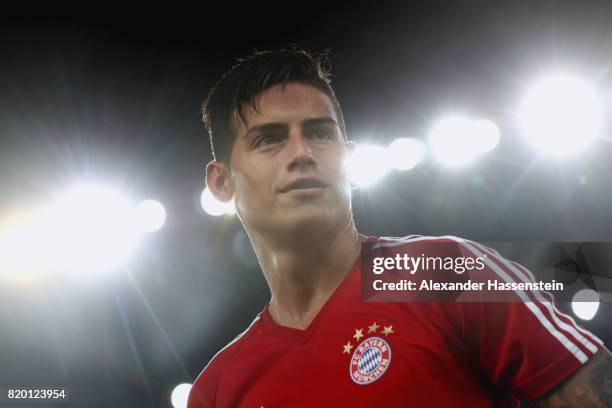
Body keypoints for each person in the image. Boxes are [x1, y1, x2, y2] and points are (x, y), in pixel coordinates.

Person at [187, 47, 611, 407]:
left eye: (319, 133)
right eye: (269, 139)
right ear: (222, 183)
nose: (302, 153)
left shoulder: (440, 272)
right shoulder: (218, 389)